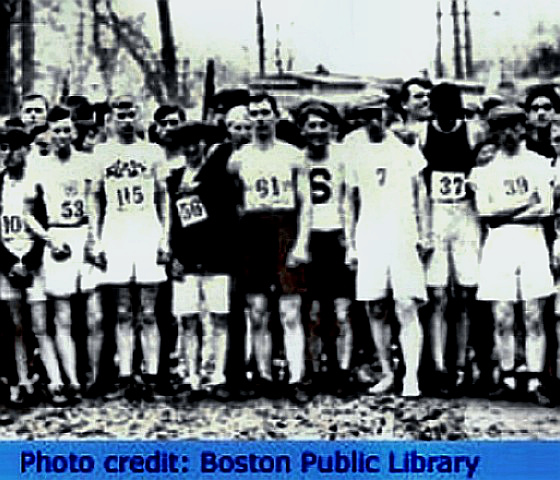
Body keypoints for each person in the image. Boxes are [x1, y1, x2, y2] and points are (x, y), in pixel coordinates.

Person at [470, 106, 555, 406]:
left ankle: (534, 381)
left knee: (533, 315)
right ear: (494, 131)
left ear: (523, 128)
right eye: (501, 127)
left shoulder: (540, 163)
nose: (508, 133)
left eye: (513, 126)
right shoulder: (484, 170)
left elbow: (545, 208)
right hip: (499, 245)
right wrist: (522, 205)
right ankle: (506, 378)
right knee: (503, 315)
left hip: (532, 241)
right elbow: (485, 213)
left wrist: (504, 215)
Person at [346, 99, 430, 398]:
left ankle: (412, 377)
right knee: (375, 306)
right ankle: (387, 372)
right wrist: (351, 244)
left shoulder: (404, 145)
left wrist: (425, 233)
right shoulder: (354, 149)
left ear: (386, 114)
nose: (373, 121)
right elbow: (350, 199)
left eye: (377, 114)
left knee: (406, 304)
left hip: (403, 234)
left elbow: (421, 190)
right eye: (365, 116)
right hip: (370, 235)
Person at [228, 93, 309, 402]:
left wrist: (301, 242)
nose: (260, 119)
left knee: (290, 311)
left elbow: (306, 204)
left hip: (285, 227)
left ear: (276, 117)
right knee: (258, 312)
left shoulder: (292, 155)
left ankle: (296, 378)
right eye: (255, 114)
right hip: (253, 230)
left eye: (265, 113)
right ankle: (262, 377)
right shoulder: (238, 159)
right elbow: (236, 204)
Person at [93, 95, 169, 402]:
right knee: (123, 311)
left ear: (138, 116)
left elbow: (164, 197)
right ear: (111, 118)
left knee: (149, 313)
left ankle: (151, 376)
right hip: (117, 231)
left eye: (130, 114)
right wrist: (95, 239)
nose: (126, 120)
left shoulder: (152, 151)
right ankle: (126, 376)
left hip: (147, 229)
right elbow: (94, 197)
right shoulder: (101, 152)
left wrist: (165, 237)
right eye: (119, 115)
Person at [166, 122, 239, 400]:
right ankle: (192, 378)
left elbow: (227, 221)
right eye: (186, 144)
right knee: (188, 320)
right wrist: (174, 256)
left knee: (220, 319)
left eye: (196, 143)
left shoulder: (219, 178)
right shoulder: (173, 180)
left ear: (204, 145)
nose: (191, 149)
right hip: (185, 260)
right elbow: (171, 224)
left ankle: (218, 376)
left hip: (216, 259)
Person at [422, 82, 479, 395]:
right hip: (436, 214)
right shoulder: (421, 134)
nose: (445, 114)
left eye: (451, 108)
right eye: (439, 108)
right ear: (432, 109)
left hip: (465, 214)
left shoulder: (473, 131)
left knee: (467, 295)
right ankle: (440, 365)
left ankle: (462, 364)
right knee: (439, 295)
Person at [294, 100, 354, 397]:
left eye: (322, 125)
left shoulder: (343, 157)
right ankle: (314, 372)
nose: (317, 131)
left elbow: (350, 200)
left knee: (342, 311)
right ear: (302, 130)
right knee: (315, 312)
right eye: (311, 125)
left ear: (331, 128)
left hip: (338, 237)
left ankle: (342, 372)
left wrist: (351, 239)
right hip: (310, 238)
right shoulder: (296, 160)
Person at [0, 129, 51, 405]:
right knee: (16, 326)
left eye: (13, 148)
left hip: (33, 262)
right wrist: (10, 263)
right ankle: (20, 381)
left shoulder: (36, 184)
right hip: (8, 263)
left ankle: (47, 378)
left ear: (25, 151)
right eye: (3, 148)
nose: (7, 155)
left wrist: (29, 262)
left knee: (39, 324)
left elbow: (45, 226)